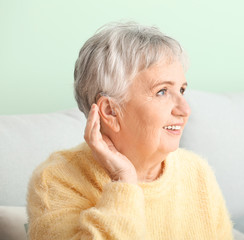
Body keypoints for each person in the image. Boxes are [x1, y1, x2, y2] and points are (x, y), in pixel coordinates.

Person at [26, 21, 233, 239]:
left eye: (181, 89)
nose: (185, 109)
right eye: (162, 91)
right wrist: (123, 180)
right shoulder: (56, 181)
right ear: (110, 111)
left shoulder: (197, 172)